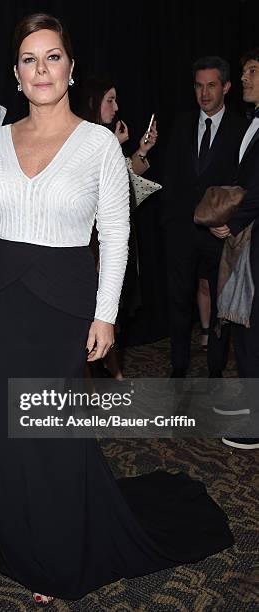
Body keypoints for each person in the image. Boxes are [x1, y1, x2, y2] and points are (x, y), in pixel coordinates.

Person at [0, 14, 234, 604]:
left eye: (53, 56)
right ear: (14, 75)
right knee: (11, 437)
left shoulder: (96, 145)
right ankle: (21, 545)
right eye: (30, 59)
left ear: (70, 67)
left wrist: (106, 314)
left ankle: (62, 551)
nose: (42, 69)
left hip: (63, 303)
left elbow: (116, 235)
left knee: (54, 434)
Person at [162, 56, 247, 378]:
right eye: (199, 86)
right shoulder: (181, 124)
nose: (204, 93)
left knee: (221, 303)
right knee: (179, 302)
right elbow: (171, 177)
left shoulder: (242, 129)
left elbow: (244, 183)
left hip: (220, 232)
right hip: (181, 232)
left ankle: (215, 370)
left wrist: (233, 224)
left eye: (211, 85)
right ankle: (178, 366)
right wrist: (169, 225)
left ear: (225, 87)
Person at [79, 76, 158, 377]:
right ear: (94, 103)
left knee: (110, 311)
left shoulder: (105, 139)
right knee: (92, 313)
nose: (116, 107)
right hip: (89, 246)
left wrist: (140, 151)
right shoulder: (87, 138)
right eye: (109, 100)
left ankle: (112, 371)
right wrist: (115, 145)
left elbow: (123, 184)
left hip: (108, 241)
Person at [211, 48, 259, 450]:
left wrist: (235, 220)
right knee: (245, 324)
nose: (245, 78)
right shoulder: (252, 121)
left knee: (251, 326)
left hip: (253, 235)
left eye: (252, 71)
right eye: (244, 71)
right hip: (249, 237)